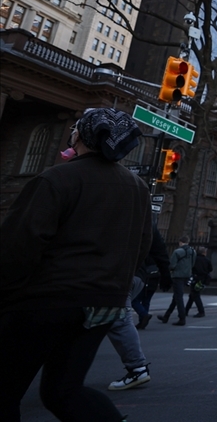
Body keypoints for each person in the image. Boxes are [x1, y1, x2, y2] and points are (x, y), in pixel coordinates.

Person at [0, 108, 151, 421]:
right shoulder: (138, 189)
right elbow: (142, 247)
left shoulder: (56, 178)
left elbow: (19, 244)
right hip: (103, 305)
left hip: (46, 301)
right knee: (64, 392)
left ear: (81, 135)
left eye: (74, 128)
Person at [132, 222, 171, 329]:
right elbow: (162, 258)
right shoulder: (155, 251)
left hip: (146, 277)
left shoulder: (146, 253)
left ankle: (143, 315)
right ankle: (143, 318)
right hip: (155, 277)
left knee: (133, 299)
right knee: (146, 299)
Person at [159, 236, 195, 326]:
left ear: (180, 242)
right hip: (187, 275)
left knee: (178, 298)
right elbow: (193, 264)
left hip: (177, 276)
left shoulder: (177, 252)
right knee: (176, 297)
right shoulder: (193, 251)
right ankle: (166, 316)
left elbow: (172, 265)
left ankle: (182, 318)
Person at [184, 246, 212, 318]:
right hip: (202, 279)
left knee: (195, 295)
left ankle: (201, 311)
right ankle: (186, 310)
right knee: (193, 295)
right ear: (204, 252)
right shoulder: (207, 260)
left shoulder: (195, 259)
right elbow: (210, 269)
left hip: (195, 278)